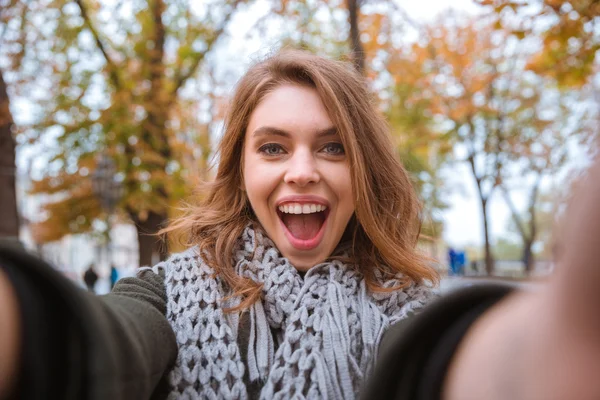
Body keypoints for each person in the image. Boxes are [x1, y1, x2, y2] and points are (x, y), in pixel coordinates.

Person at [0, 50, 599, 400]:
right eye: (274, 148)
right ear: (241, 167)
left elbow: (443, 364)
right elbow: (101, 342)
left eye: (333, 148)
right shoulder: (167, 294)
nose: (303, 171)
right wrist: (18, 312)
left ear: (363, 170)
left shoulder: (405, 313)